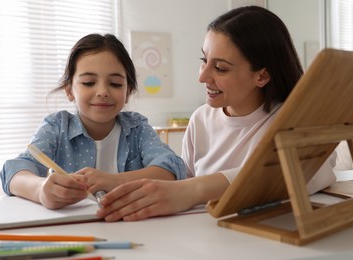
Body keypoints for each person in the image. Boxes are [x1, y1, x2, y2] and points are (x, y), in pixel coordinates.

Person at [94, 6, 337, 222]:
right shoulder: (201, 119)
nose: (202, 76)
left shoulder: (293, 119)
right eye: (204, 60)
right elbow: (181, 184)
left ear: (262, 76)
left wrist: (196, 190)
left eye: (220, 68)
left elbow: (316, 170)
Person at [0, 33, 185, 209]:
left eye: (115, 84)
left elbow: (170, 168)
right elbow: (14, 172)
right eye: (89, 82)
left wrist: (112, 181)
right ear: (69, 90)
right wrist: (41, 190)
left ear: (127, 92)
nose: (103, 91)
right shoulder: (57, 127)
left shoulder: (137, 128)